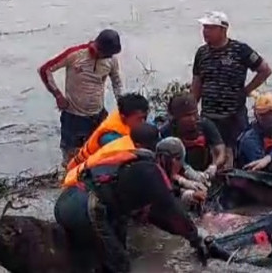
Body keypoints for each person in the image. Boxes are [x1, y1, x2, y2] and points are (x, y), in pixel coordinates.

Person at [54, 123, 210, 273]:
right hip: (84, 207)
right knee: (120, 264)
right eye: (179, 166)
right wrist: (196, 239)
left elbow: (157, 216)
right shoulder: (151, 172)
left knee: (97, 257)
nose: (178, 171)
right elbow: (173, 212)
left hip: (69, 199)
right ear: (173, 160)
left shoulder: (135, 162)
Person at [191, 11, 272, 169]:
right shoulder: (201, 53)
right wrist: (192, 108)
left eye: (210, 28)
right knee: (212, 155)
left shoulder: (240, 50)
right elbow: (197, 83)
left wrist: (247, 90)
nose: (205, 32)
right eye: (204, 27)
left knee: (237, 154)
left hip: (234, 115)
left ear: (223, 29)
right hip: (209, 115)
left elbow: (265, 70)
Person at [38, 29, 124, 165]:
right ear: (97, 47)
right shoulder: (75, 54)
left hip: (98, 115)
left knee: (99, 153)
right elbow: (45, 70)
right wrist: (58, 95)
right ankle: (69, 179)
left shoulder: (111, 60)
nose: (106, 57)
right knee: (71, 156)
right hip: (74, 116)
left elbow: (117, 83)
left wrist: (122, 105)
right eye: (104, 54)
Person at [67, 93, 150, 171]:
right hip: (84, 173)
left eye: (145, 118)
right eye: (139, 119)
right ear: (123, 117)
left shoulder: (126, 118)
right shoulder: (110, 138)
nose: (143, 122)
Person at [160, 93, 227, 176]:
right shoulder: (167, 130)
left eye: (194, 113)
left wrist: (214, 166)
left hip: (205, 173)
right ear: (176, 117)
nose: (193, 119)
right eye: (187, 115)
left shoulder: (205, 125)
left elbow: (220, 151)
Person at [156, 137, 208, 208]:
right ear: (174, 161)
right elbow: (168, 200)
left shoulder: (157, 169)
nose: (181, 166)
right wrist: (186, 196)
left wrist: (190, 194)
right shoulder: (156, 177)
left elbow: (174, 189)